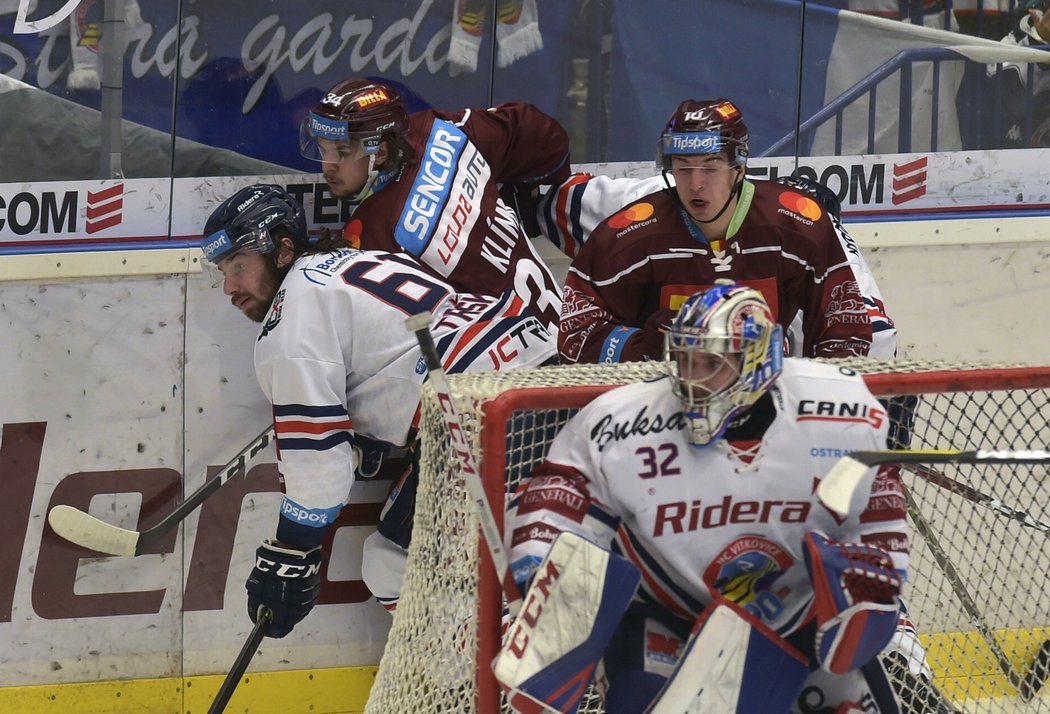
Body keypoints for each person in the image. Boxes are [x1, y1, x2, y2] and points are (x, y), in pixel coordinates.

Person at [502, 282, 911, 713]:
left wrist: (871, 582)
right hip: (668, 611)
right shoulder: (621, 421)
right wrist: (538, 567)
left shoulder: (838, 411)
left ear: (755, 363)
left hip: (797, 618)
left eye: (709, 363)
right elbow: (563, 490)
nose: (691, 378)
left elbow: (876, 517)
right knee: (637, 703)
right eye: (684, 360)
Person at [199, 183, 557, 636]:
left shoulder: (286, 327)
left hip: (483, 414)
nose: (229, 286)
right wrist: (370, 430)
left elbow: (318, 466)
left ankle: (504, 687)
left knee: (392, 565)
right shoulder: (355, 261)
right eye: (222, 271)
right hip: (545, 378)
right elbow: (402, 352)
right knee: (529, 546)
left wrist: (293, 550)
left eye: (238, 265)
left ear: (283, 249)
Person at [550, 97, 897, 366]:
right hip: (659, 406)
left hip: (768, 399)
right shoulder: (630, 233)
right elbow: (576, 334)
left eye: (710, 167)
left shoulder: (797, 224)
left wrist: (815, 409)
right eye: (683, 168)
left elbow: (845, 329)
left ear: (738, 166)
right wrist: (645, 349)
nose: (695, 184)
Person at [299, 77, 569, 332]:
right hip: (564, 329)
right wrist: (534, 193)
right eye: (324, 149)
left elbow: (404, 343)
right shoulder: (437, 130)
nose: (327, 167)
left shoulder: (374, 235)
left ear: (380, 153)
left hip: (507, 368)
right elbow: (540, 133)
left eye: (342, 153)